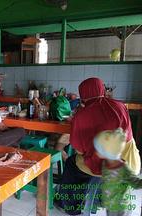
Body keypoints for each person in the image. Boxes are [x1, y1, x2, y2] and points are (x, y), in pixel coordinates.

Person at [55, 77, 141, 215]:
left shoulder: (81, 115)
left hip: (102, 166)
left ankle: (71, 206)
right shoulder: (119, 106)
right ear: (102, 89)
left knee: (72, 163)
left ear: (82, 96)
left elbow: (78, 148)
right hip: (129, 162)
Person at [94, 128, 142, 216]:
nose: (96, 152)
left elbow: (136, 183)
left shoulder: (123, 169)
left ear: (106, 153)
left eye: (98, 149)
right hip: (110, 204)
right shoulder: (105, 163)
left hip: (121, 208)